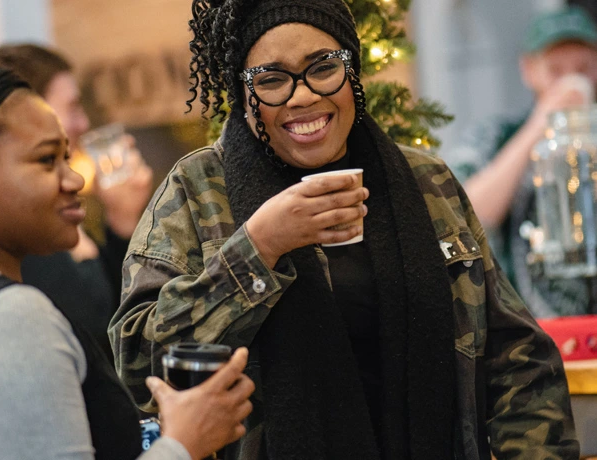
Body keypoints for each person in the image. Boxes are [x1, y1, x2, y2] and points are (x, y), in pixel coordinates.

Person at [109, 1, 579, 459]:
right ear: (242, 93)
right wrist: (259, 247)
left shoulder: (425, 181)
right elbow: (139, 366)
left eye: (323, 68)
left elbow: (517, 357)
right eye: (271, 80)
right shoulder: (196, 191)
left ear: (351, 70)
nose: (303, 96)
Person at [0, 19, 254, 460]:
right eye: (45, 160)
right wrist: (183, 442)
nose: (73, 179)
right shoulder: (11, 318)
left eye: (66, 156)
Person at [0, 44, 154, 359]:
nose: (83, 124)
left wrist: (123, 222)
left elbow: (115, 307)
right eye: (72, 108)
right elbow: (100, 333)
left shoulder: (62, 210)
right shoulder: (23, 229)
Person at [442, 6, 597, 317]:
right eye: (556, 70)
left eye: (583, 68)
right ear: (529, 70)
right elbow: (464, 215)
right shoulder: (495, 136)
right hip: (525, 327)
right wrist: (541, 124)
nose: (571, 81)